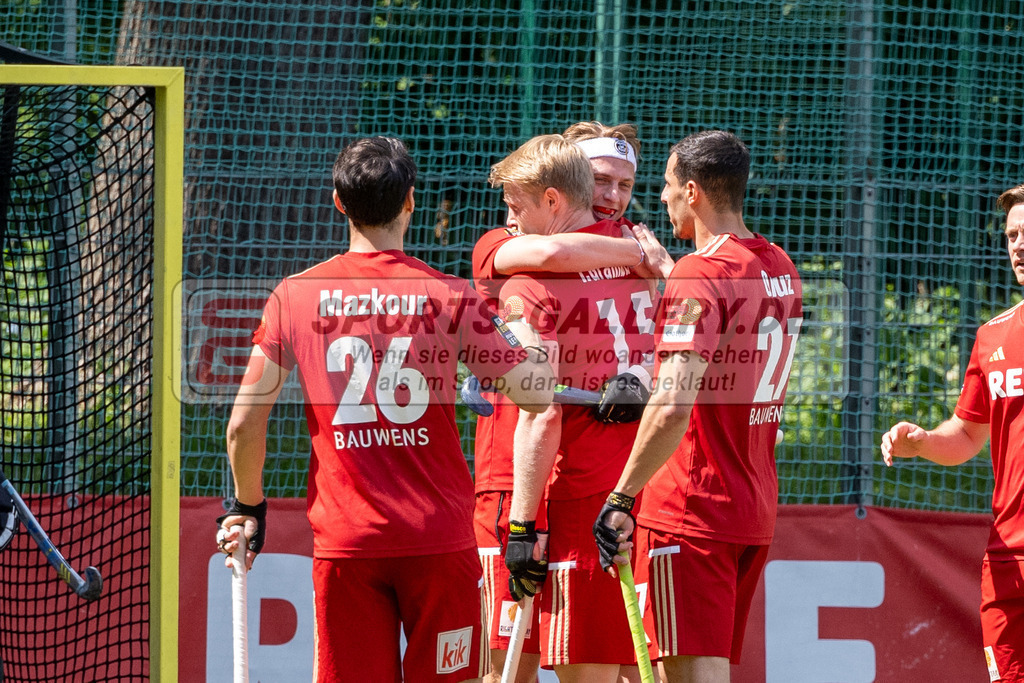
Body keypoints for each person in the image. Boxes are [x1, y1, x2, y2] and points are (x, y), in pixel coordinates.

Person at [214, 136, 555, 683]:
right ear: (411, 201)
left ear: (338, 203)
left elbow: (243, 423)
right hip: (436, 539)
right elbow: (535, 395)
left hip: (347, 542)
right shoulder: (450, 295)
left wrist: (248, 507)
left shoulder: (292, 296)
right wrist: (526, 334)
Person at [592, 130, 803, 683]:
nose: (660, 196)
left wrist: (622, 496)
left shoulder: (700, 271)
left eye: (666, 185)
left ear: (692, 191)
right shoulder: (780, 266)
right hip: (751, 505)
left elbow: (671, 404)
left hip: (692, 509)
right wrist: (673, 274)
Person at [472, 122, 672, 683]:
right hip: (518, 477)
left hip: (583, 481)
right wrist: (642, 254)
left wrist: (641, 376)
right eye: (598, 180)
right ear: (567, 186)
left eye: (625, 185)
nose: (611, 196)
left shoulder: (630, 257)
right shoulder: (514, 245)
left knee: (581, 664)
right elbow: (555, 248)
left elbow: (674, 343)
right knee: (520, 661)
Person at [880, 183, 1024, 682]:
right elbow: (966, 436)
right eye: (1011, 235)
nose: (1019, 245)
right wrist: (922, 442)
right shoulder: (993, 336)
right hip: (1007, 559)